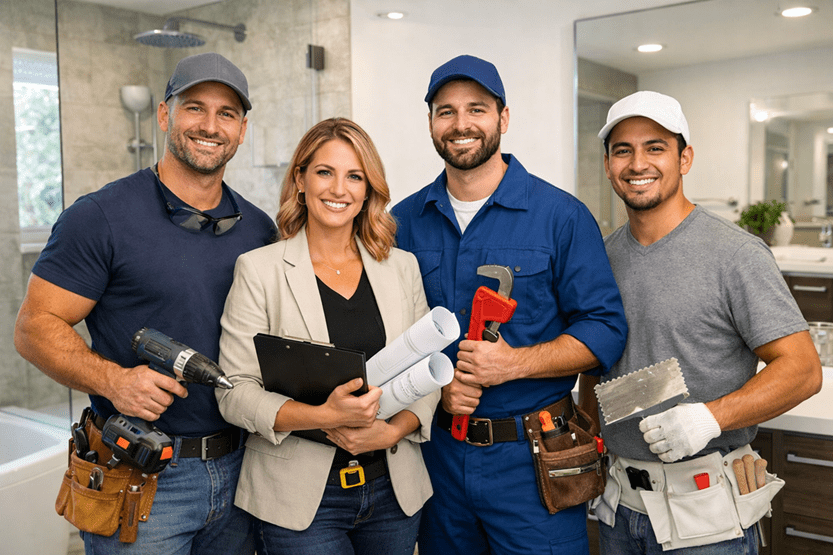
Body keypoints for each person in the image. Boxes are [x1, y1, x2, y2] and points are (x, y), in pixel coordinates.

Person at [14, 52, 276, 554]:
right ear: (163, 115)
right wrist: (113, 380)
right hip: (144, 476)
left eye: (227, 114)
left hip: (245, 470)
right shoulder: (100, 217)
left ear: (242, 130)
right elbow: (33, 327)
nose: (210, 125)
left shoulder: (259, 228)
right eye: (194, 107)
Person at [391, 54, 628, 555]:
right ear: (431, 122)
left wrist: (514, 363)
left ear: (502, 117)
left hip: (535, 461)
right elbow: (386, 337)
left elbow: (605, 329)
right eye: (445, 111)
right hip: (439, 459)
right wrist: (432, 393)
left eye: (477, 109)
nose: (461, 124)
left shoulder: (560, 217)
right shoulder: (403, 222)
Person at [581, 90, 823, 554]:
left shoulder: (735, 254)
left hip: (707, 519)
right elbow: (595, 360)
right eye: (622, 150)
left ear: (684, 158)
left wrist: (710, 418)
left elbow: (803, 369)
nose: (638, 163)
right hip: (618, 509)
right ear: (609, 164)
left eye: (655, 147)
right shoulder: (601, 256)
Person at [215, 117, 437, 555]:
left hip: (393, 492)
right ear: (300, 179)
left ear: (369, 189)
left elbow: (426, 374)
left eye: (355, 176)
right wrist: (324, 416)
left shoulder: (402, 268)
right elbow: (233, 393)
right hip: (300, 500)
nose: (339, 189)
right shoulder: (259, 270)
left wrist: (393, 432)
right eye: (324, 172)